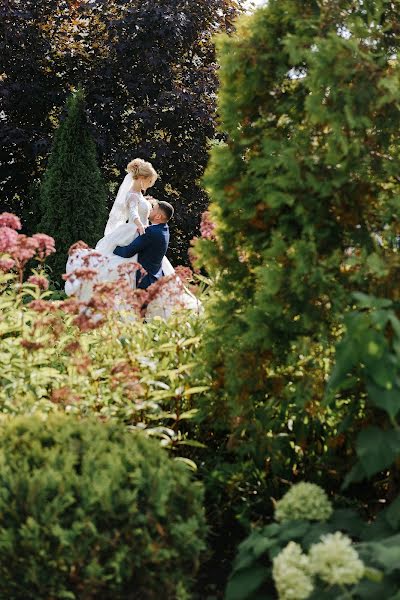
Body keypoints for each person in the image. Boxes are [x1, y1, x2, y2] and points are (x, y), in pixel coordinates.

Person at [113, 200, 174, 289]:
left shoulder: (151, 232)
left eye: (153, 209)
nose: (150, 210)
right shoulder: (164, 229)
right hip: (156, 278)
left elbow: (127, 252)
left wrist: (113, 248)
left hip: (144, 281)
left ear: (158, 216)